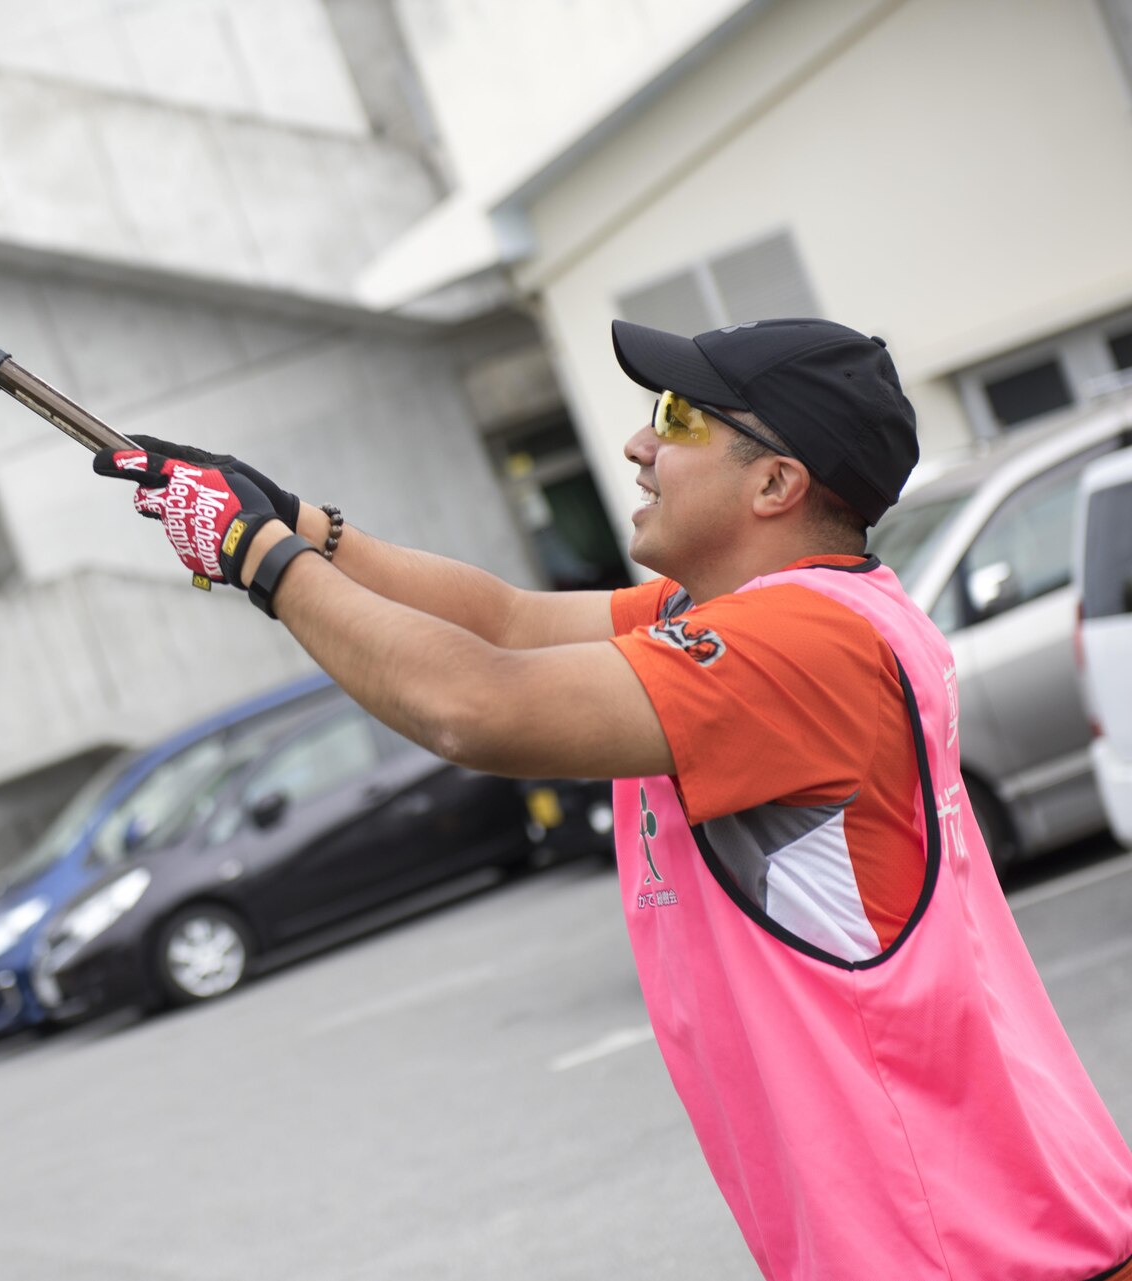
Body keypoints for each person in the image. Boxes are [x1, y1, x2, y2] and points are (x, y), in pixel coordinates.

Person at [96, 317, 1132, 1280]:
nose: (638, 446)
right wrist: (296, 522)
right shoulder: (744, 614)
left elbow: (474, 705)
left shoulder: (801, 649)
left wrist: (257, 558)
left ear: (774, 482)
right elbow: (502, 622)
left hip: (971, 1245)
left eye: (676, 419)